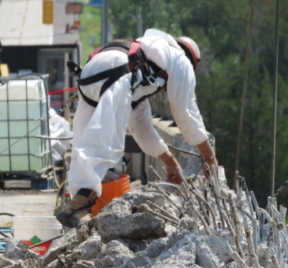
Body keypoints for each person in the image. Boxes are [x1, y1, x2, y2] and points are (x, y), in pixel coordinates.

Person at [56, 29, 218, 228]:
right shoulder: (180, 59)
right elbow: (184, 111)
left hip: (93, 71)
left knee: (85, 144)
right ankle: (80, 204)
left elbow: (141, 127)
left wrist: (169, 160)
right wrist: (209, 156)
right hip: (116, 70)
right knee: (106, 143)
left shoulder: (148, 59)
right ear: (192, 61)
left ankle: (76, 207)